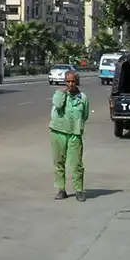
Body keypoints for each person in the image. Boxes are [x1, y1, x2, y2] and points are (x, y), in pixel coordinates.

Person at [50, 70, 91, 202]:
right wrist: (63, 92)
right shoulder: (60, 94)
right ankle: (61, 189)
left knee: (76, 163)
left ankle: (79, 190)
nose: (70, 84)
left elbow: (85, 115)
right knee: (59, 161)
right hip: (58, 131)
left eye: (73, 81)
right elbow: (57, 104)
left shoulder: (82, 98)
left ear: (77, 82)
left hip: (75, 133)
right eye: (68, 81)